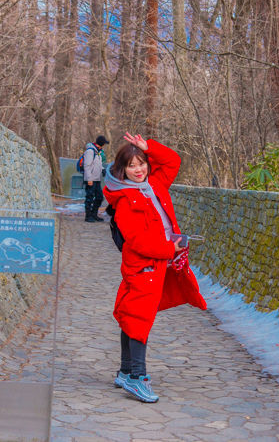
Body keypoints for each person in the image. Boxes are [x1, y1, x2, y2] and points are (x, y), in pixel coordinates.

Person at [102, 132, 207, 403]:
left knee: (132, 313)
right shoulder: (125, 199)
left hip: (159, 263)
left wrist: (149, 148)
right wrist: (169, 249)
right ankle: (138, 377)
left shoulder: (155, 184)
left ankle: (126, 371)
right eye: (131, 166)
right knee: (138, 318)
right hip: (143, 265)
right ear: (122, 171)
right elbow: (137, 241)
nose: (138, 170)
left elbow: (173, 161)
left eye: (141, 163)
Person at [83, 135, 109, 222]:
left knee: (99, 197)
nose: (104, 145)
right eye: (104, 143)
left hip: (97, 179)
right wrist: (89, 179)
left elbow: (98, 164)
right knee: (89, 198)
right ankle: (88, 216)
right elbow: (87, 166)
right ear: (101, 144)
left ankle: (94, 214)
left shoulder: (98, 152)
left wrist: (103, 170)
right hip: (90, 179)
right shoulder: (90, 151)